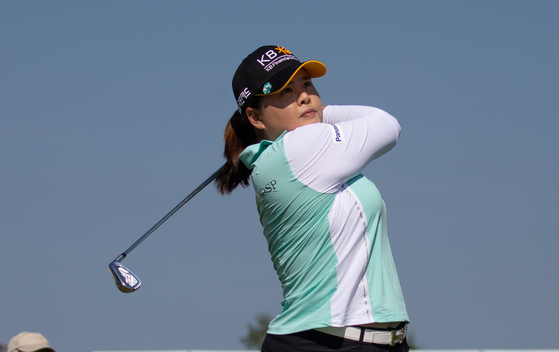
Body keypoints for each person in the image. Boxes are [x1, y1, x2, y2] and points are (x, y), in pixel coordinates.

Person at [216, 45, 410, 352]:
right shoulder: (299, 148)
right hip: (325, 344)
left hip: (354, 342)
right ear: (255, 116)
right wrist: (323, 113)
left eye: (307, 85)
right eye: (285, 91)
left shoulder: (279, 158)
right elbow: (387, 125)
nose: (304, 96)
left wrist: (311, 114)